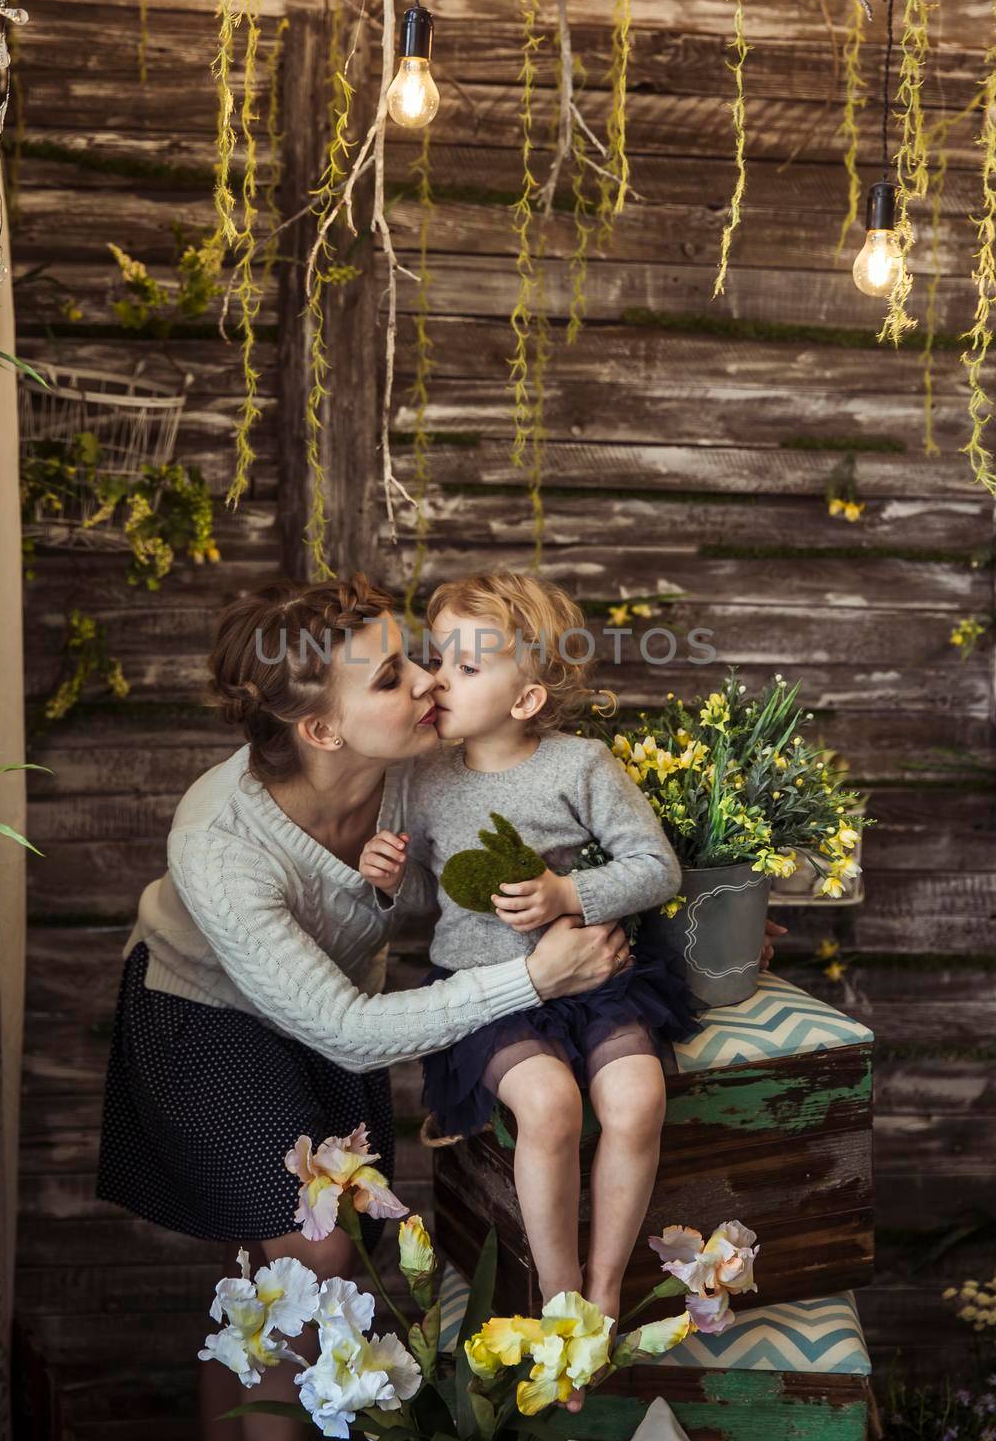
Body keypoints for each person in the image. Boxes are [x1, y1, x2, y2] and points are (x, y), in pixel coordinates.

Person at [94, 574, 633, 1441]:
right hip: (205, 1019)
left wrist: (677, 910)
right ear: (320, 729)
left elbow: (560, 806)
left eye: (413, 660)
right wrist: (535, 979)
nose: (428, 682)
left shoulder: (416, 762)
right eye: (390, 678)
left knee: (262, 1276)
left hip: (336, 1011)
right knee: (313, 1259)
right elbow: (345, 1030)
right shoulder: (219, 844)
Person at [359, 570, 700, 1413]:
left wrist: (566, 896)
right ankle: (556, 1301)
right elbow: (408, 905)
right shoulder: (422, 779)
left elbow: (657, 869)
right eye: (436, 658)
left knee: (635, 1093)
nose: (437, 680)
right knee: (547, 1105)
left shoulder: (580, 766)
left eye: (466, 668)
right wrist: (378, 878)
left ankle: (606, 1285)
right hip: (484, 993)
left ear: (525, 698)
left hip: (598, 982)